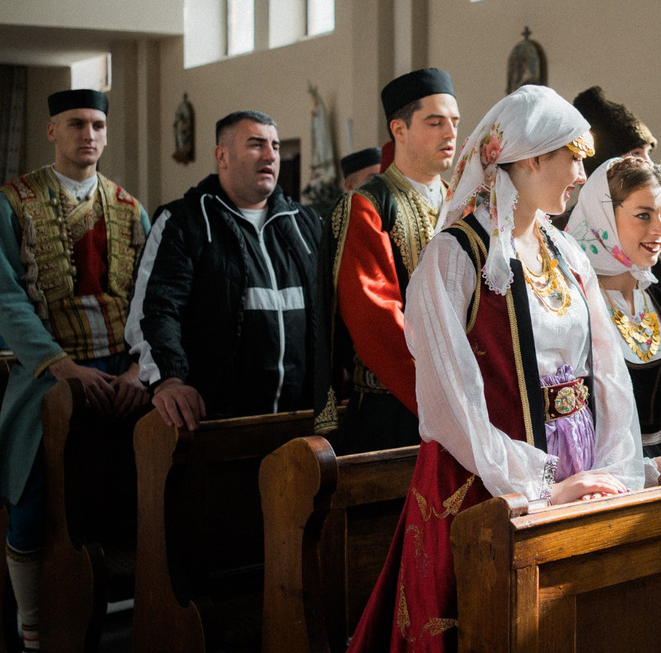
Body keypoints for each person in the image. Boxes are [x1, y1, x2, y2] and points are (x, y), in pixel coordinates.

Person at [346, 86, 643, 652]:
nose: (583, 173)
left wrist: (615, 470)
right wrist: (545, 486)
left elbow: (607, 372)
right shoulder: (455, 257)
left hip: (580, 463)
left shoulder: (567, 252)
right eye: (573, 156)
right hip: (487, 480)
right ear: (530, 157)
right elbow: (448, 397)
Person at [0, 88, 150, 653]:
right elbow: (5, 298)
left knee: (138, 489)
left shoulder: (130, 207)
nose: (88, 135)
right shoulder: (11, 203)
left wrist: (140, 368)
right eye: (75, 124)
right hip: (43, 377)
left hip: (122, 376)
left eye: (97, 125)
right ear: (51, 132)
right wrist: (60, 366)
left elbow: (148, 298)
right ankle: (32, 626)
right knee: (32, 493)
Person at [126, 110, 322, 431]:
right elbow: (157, 310)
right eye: (256, 145)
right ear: (222, 156)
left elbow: (333, 307)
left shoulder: (307, 224)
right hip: (216, 420)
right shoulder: (184, 221)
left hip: (300, 420)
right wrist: (169, 381)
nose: (271, 155)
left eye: (274, 146)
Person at [314, 69, 458, 452]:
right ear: (400, 129)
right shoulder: (367, 205)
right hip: (394, 409)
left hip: (468, 402)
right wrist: (445, 402)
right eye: (434, 122)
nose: (450, 133)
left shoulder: (463, 203)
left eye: (454, 122)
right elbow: (375, 320)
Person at [566, 155, 661, 485]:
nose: (660, 230)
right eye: (643, 215)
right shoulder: (575, 304)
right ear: (603, 217)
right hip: (609, 481)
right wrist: (649, 473)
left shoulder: (660, 303)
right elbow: (572, 427)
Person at [572, 85, 661, 308]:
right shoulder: (568, 233)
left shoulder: (653, 237)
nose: (648, 164)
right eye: (635, 154)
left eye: (648, 153)